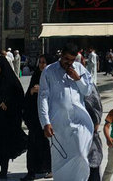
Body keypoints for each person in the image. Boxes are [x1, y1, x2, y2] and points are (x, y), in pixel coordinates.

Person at [38, 43, 94, 181]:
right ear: (61, 55)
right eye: (66, 59)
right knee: (60, 160)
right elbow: (43, 98)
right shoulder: (49, 71)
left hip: (79, 121)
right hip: (59, 123)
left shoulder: (79, 68)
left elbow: (88, 91)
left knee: (81, 154)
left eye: (72, 60)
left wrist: (77, 79)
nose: (69, 63)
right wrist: (45, 122)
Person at [21, 54, 55, 181]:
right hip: (35, 118)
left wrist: (43, 90)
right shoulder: (36, 75)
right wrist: (31, 92)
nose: (42, 64)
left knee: (47, 145)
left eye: (44, 62)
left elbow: (57, 96)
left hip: (47, 118)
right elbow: (27, 96)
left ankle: (50, 168)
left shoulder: (52, 77)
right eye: (40, 62)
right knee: (33, 145)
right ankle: (31, 171)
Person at [85, 85, 104, 181]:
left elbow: (95, 105)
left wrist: (96, 122)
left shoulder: (87, 84)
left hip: (88, 133)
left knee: (92, 165)